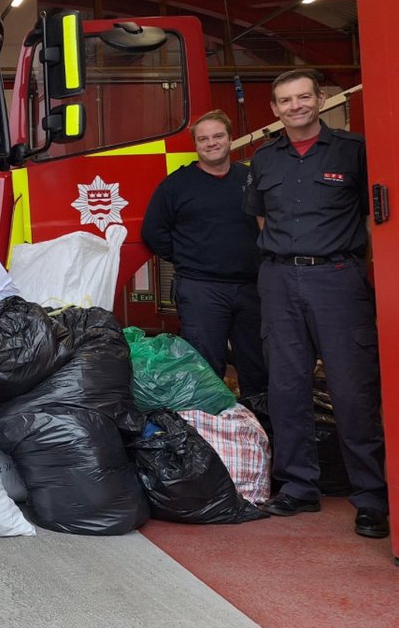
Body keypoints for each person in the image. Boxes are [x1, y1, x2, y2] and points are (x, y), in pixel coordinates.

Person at [244, 68, 388, 539]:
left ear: (320, 99)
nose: (296, 106)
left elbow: (377, 214)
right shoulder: (264, 160)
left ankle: (370, 497)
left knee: (352, 392)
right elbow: (263, 221)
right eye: (286, 101)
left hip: (338, 279)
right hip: (280, 279)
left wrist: (335, 259)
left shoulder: (354, 150)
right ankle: (298, 487)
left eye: (304, 97)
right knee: (287, 389)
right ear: (274, 110)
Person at [142, 109, 267, 400]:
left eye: (218, 136)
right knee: (204, 368)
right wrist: (189, 258)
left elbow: (270, 225)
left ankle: (260, 432)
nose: (211, 143)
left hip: (252, 288)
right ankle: (208, 438)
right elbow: (153, 232)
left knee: (258, 366)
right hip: (201, 290)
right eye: (204, 139)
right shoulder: (176, 185)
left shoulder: (250, 179)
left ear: (230, 139)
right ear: (196, 145)